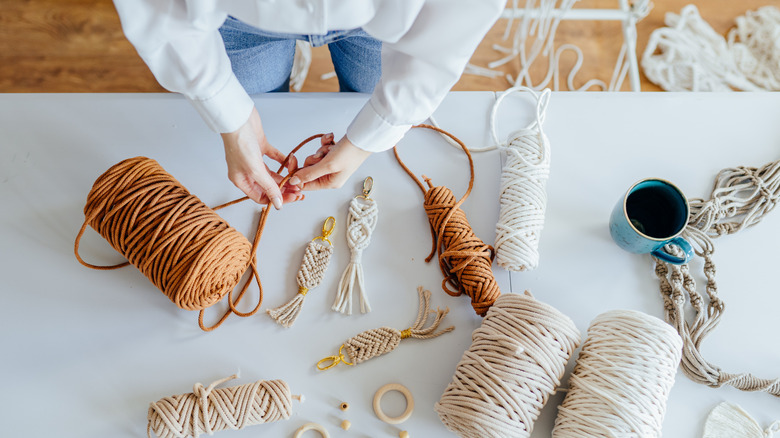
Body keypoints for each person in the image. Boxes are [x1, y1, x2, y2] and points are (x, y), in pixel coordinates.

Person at [113, 1, 504, 209]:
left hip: (392, 15)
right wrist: (228, 112)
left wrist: (371, 135)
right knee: (255, 94)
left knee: (370, 92)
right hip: (239, 15)